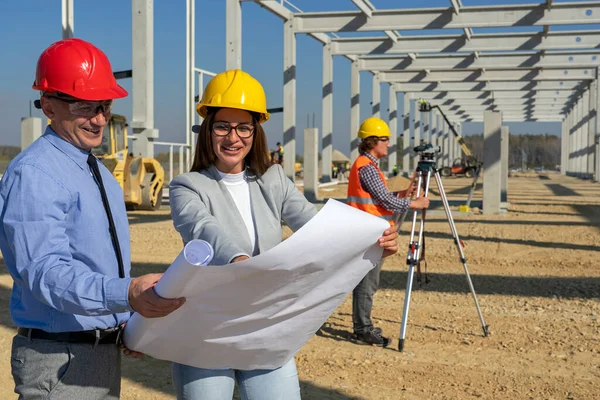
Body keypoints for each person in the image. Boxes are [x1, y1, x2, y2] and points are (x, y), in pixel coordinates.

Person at [168, 69, 400, 400]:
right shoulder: (187, 186)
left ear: (255, 131)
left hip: (267, 329)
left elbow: (316, 226)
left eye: (243, 127)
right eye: (222, 126)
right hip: (208, 331)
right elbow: (203, 229)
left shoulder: (274, 180)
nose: (233, 137)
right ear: (207, 129)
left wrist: (372, 240)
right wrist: (240, 260)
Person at [0, 38, 185, 400]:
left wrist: (128, 324)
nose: (100, 118)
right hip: (60, 359)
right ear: (49, 105)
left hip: (98, 353)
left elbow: (96, 262)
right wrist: (127, 294)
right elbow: (45, 273)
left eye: (105, 104)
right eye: (86, 105)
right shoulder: (35, 173)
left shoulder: (96, 171)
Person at [347, 117, 430, 347]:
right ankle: (363, 330)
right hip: (368, 232)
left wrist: (403, 193)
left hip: (368, 229)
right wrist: (416, 204)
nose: (388, 144)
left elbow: (379, 199)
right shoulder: (367, 167)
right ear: (373, 141)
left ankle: (362, 326)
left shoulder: (368, 165)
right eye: (385, 139)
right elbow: (383, 200)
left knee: (367, 281)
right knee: (367, 282)